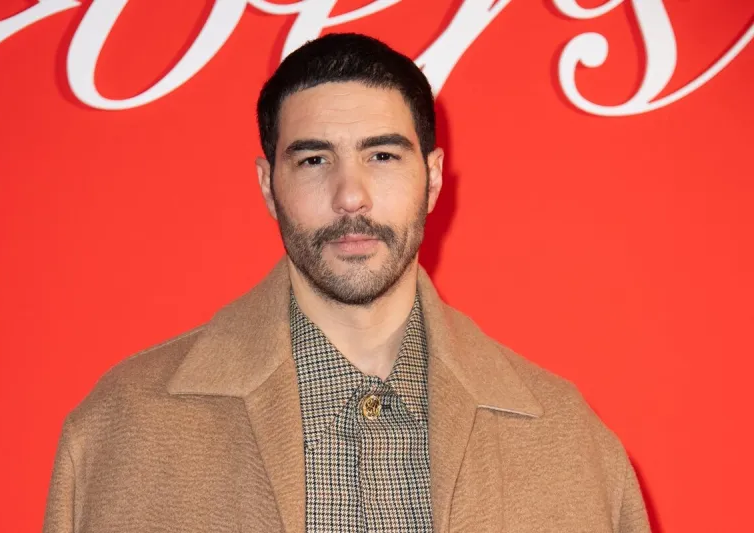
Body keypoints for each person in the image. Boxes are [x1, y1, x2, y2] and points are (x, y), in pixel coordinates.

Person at [43, 33, 650, 533]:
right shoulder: (120, 432)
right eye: (313, 160)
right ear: (266, 185)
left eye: (382, 156)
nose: (350, 195)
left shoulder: (570, 445)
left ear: (433, 178)